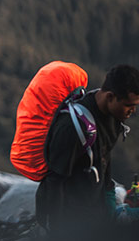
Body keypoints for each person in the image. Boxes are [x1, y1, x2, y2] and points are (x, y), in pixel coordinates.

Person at [36, 64, 139, 231]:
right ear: (110, 97)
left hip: (97, 212)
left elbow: (104, 162)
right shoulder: (72, 127)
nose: (132, 111)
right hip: (74, 223)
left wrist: (109, 207)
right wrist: (54, 234)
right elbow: (54, 181)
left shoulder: (113, 116)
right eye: (129, 105)